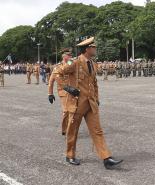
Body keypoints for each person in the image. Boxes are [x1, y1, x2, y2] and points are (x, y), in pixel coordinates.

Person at [55, 37, 123, 169]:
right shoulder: (74, 62)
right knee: (72, 131)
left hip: (90, 103)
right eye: (94, 47)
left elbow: (94, 83)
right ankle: (69, 155)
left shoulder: (92, 63)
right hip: (77, 103)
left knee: (97, 130)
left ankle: (106, 158)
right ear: (87, 49)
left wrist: (96, 98)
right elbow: (58, 73)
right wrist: (67, 87)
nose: (95, 49)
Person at [48, 49, 72, 136]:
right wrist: (50, 94)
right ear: (64, 56)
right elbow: (51, 81)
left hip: (73, 91)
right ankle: (64, 129)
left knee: (73, 111)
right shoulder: (57, 67)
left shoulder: (71, 64)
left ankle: (70, 128)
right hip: (63, 91)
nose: (70, 57)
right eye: (68, 55)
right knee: (66, 111)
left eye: (71, 55)